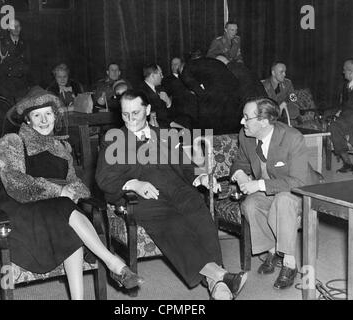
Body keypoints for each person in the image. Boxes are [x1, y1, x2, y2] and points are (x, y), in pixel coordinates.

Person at [95, 89, 247, 300]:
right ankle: (220, 278)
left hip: (178, 190)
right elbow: (104, 179)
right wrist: (134, 183)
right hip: (145, 197)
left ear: (148, 110)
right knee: (173, 224)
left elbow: (186, 167)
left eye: (136, 113)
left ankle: (216, 281)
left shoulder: (165, 135)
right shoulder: (114, 141)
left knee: (200, 214)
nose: (130, 119)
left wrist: (200, 177)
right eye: (125, 114)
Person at [0, 87, 143, 300]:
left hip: (56, 213)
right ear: (28, 120)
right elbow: (14, 182)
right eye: (37, 115)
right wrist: (58, 190)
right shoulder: (14, 141)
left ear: (55, 116)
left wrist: (78, 193)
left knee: (69, 217)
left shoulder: (62, 147)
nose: (44, 120)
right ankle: (113, 262)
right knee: (65, 206)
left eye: (48, 114)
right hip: (21, 213)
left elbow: (74, 183)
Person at [230, 97, 320, 290]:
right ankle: (272, 248)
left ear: (263, 122)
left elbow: (298, 181)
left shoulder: (292, 137)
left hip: (301, 191)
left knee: (283, 201)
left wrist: (259, 184)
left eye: (246, 117)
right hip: (271, 187)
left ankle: (289, 261)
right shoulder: (246, 135)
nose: (241, 122)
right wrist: (241, 177)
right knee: (250, 205)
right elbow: (239, 162)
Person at [180, 56, 241, 134]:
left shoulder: (186, 69)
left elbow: (199, 92)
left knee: (204, 122)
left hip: (217, 93)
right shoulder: (211, 61)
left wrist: (201, 96)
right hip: (234, 90)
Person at [329, 59, 353, 174]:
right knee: (334, 126)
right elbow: (345, 104)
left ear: (350, 72)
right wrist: (339, 112)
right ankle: (347, 163)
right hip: (348, 117)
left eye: (344, 70)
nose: (343, 73)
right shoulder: (347, 86)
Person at [0, 18, 31, 103]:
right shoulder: (1, 42)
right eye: (13, 26)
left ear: (21, 28)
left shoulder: (25, 42)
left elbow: (29, 62)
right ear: (8, 28)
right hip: (7, 84)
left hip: (22, 83)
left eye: (18, 26)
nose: (16, 28)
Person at [139, 63, 183, 129]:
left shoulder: (159, 88)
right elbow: (153, 117)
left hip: (167, 124)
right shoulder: (141, 92)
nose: (162, 76)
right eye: (160, 74)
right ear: (153, 76)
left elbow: (170, 113)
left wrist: (168, 102)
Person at [162, 57, 198, 130]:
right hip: (178, 114)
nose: (173, 66)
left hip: (193, 113)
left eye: (176, 64)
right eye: (172, 64)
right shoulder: (166, 80)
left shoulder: (189, 77)